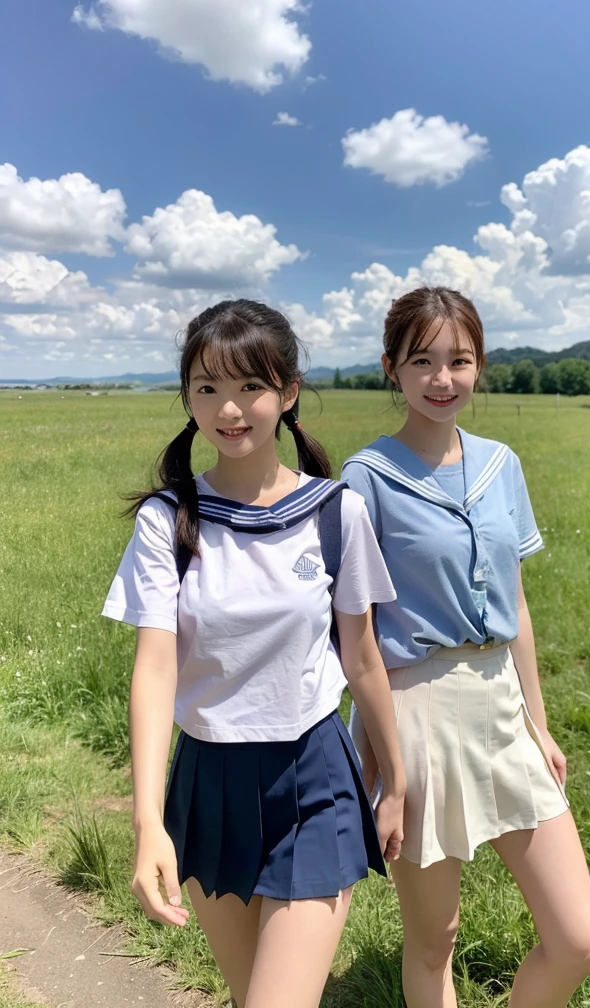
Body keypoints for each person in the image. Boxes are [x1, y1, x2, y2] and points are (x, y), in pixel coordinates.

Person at [102, 299, 405, 1008]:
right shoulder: (167, 521)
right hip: (211, 779)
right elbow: (155, 669)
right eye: (207, 388)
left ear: (288, 392)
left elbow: (362, 659)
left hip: (316, 776)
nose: (229, 409)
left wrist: (396, 778)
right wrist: (148, 821)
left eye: (250, 387)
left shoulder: (335, 513)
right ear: (187, 398)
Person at [342, 287, 590, 1008]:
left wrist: (538, 723)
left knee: (581, 940)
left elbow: (514, 604)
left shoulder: (501, 464)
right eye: (422, 360)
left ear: (479, 366)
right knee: (436, 940)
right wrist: (386, 772)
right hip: (417, 714)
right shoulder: (365, 479)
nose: (442, 379)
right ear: (391, 367)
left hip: (501, 706)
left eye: (459, 360)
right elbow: (355, 633)